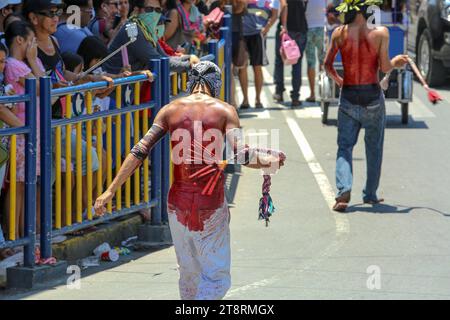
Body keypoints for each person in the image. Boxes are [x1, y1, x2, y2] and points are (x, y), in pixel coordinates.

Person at [94, 61, 286, 300]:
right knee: (216, 278)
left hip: (177, 205)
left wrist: (111, 190)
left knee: (188, 274)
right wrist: (269, 162)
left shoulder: (170, 110)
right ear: (215, 84)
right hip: (210, 204)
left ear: (190, 83)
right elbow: (242, 155)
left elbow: (139, 150)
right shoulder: (225, 111)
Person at [324, 0, 408, 212]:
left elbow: (327, 65)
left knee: (344, 147)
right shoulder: (381, 33)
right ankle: (370, 193)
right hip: (372, 98)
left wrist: (338, 80)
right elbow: (385, 66)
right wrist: (397, 61)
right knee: (374, 148)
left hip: (349, 96)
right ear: (367, 9)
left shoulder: (339, 34)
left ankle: (344, 191)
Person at [4, 20, 46, 238]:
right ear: (19, 40)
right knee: (18, 187)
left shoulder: (24, 63)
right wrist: (32, 58)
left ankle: (22, 235)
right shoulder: (14, 64)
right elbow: (42, 87)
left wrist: (32, 60)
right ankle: (14, 236)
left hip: (31, 130)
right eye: (31, 41)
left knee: (25, 185)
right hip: (21, 133)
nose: (33, 46)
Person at [104, 0, 199, 75]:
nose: (154, 14)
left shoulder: (145, 29)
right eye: (149, 9)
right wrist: (191, 65)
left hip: (126, 90)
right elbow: (156, 60)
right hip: (111, 90)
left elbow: (165, 57)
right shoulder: (132, 28)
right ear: (137, 10)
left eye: (158, 10)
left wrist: (189, 57)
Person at [240, 0, 279, 109]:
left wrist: (266, 28)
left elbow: (275, 14)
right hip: (242, 33)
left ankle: (258, 98)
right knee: (242, 66)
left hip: (258, 34)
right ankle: (245, 99)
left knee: (257, 67)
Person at [273, 0, 307, 107]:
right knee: (297, 62)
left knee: (279, 60)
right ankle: (295, 97)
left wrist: (284, 26)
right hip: (301, 28)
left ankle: (279, 91)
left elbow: (284, 5)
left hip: (288, 29)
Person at [304, 0, 326, 103]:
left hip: (308, 29)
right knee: (322, 61)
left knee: (311, 62)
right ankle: (323, 91)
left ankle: (312, 93)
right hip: (321, 29)